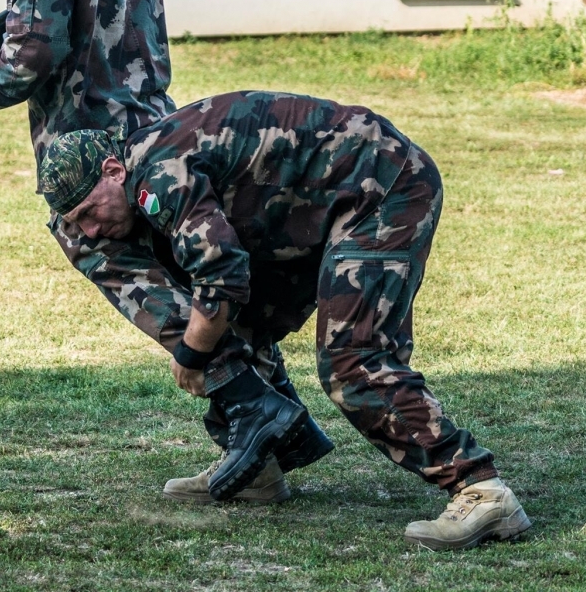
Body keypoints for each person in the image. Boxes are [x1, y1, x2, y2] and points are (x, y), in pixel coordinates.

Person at [0, 0, 332, 502]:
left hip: (91, 154)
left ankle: (250, 404)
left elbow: (30, 53)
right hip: (157, 131)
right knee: (191, 271)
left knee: (127, 270)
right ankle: (269, 441)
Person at [38, 90, 532, 552]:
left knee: (352, 359)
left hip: (383, 186)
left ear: (113, 171)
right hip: (311, 209)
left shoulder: (160, 172)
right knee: (234, 327)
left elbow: (221, 273)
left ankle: (481, 490)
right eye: (78, 223)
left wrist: (190, 354)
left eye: (90, 211)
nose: (92, 230)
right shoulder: (140, 169)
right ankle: (259, 467)